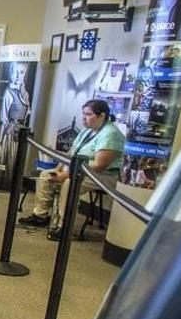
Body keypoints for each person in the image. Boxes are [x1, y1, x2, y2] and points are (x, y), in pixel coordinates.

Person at [19, 99, 126, 240]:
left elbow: (100, 165)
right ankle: (40, 215)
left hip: (102, 175)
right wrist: (57, 170)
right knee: (46, 174)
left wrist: (66, 174)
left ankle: (65, 227)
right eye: (83, 114)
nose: (84, 118)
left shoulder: (111, 134)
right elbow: (72, 154)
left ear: (102, 116)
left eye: (88, 114)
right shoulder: (87, 132)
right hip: (78, 170)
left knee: (70, 183)